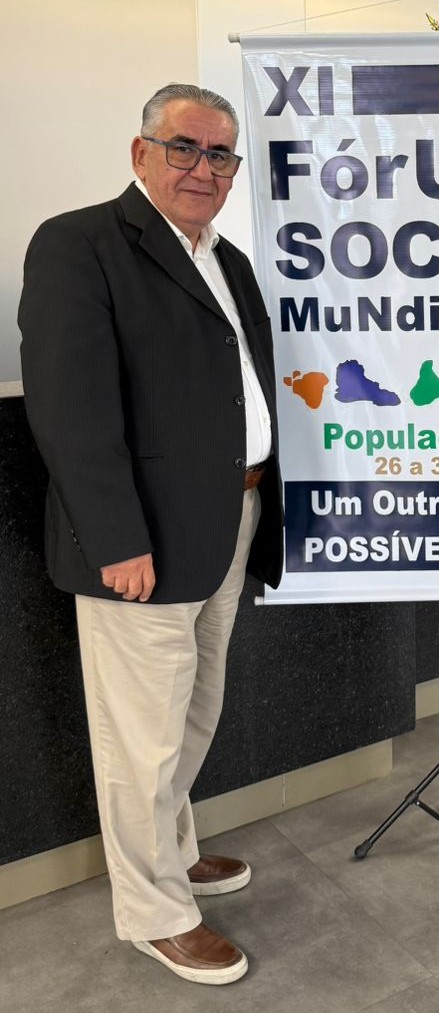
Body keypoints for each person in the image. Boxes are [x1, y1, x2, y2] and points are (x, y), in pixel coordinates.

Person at [19, 83, 283, 985]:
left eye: (220, 154)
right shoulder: (80, 244)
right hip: (143, 541)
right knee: (143, 737)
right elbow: (71, 411)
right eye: (184, 147)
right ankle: (156, 912)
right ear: (141, 153)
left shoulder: (227, 259)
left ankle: (172, 852)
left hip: (231, 518)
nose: (203, 168)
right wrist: (114, 538)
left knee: (193, 712)